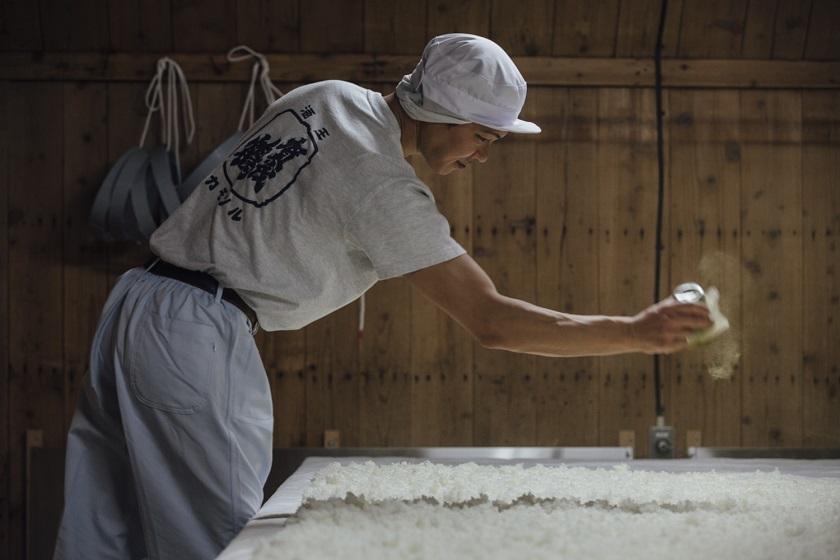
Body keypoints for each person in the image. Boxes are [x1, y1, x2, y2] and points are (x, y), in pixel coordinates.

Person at [54, 33, 711, 559]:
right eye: (481, 136)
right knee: (224, 541)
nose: (483, 156)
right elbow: (492, 321)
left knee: (101, 525)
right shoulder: (384, 188)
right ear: (440, 115)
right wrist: (636, 329)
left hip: (139, 303)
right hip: (197, 332)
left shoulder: (327, 96)